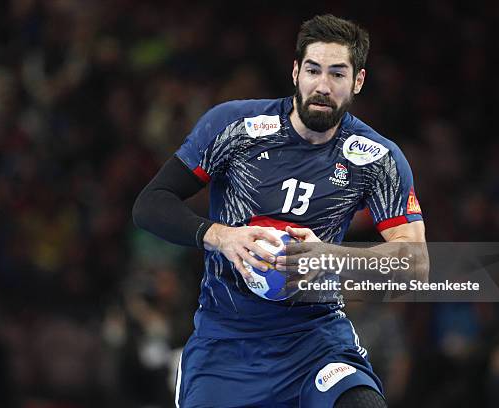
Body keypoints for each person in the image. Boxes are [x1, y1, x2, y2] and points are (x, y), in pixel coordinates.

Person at [133, 14, 427, 407]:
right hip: (227, 341)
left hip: (315, 340)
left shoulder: (378, 158)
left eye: (337, 74)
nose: (322, 86)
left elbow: (415, 262)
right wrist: (222, 236)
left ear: (357, 81)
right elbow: (151, 203)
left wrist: (328, 255)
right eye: (313, 70)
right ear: (295, 72)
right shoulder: (232, 126)